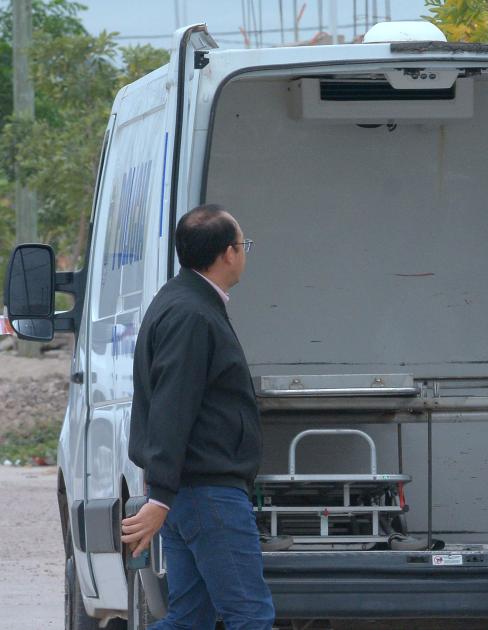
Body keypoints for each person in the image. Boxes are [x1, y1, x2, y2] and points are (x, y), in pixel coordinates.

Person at [120, 204, 273, 629]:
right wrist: (161, 496)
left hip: (191, 492)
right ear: (228, 253)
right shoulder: (192, 314)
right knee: (250, 615)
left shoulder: (184, 301)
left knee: (191, 618)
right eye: (244, 245)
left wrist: (165, 492)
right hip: (207, 493)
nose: (244, 253)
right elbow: (173, 406)